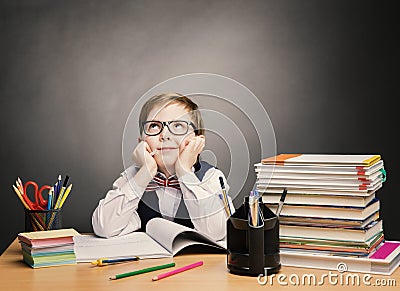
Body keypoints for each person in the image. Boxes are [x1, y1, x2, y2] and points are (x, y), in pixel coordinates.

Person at [92, 92, 233, 241]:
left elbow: (217, 232)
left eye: (178, 125)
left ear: (197, 140)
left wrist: (184, 171)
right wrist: (146, 172)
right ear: (142, 141)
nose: (165, 135)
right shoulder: (134, 177)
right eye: (154, 126)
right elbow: (104, 227)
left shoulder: (211, 177)